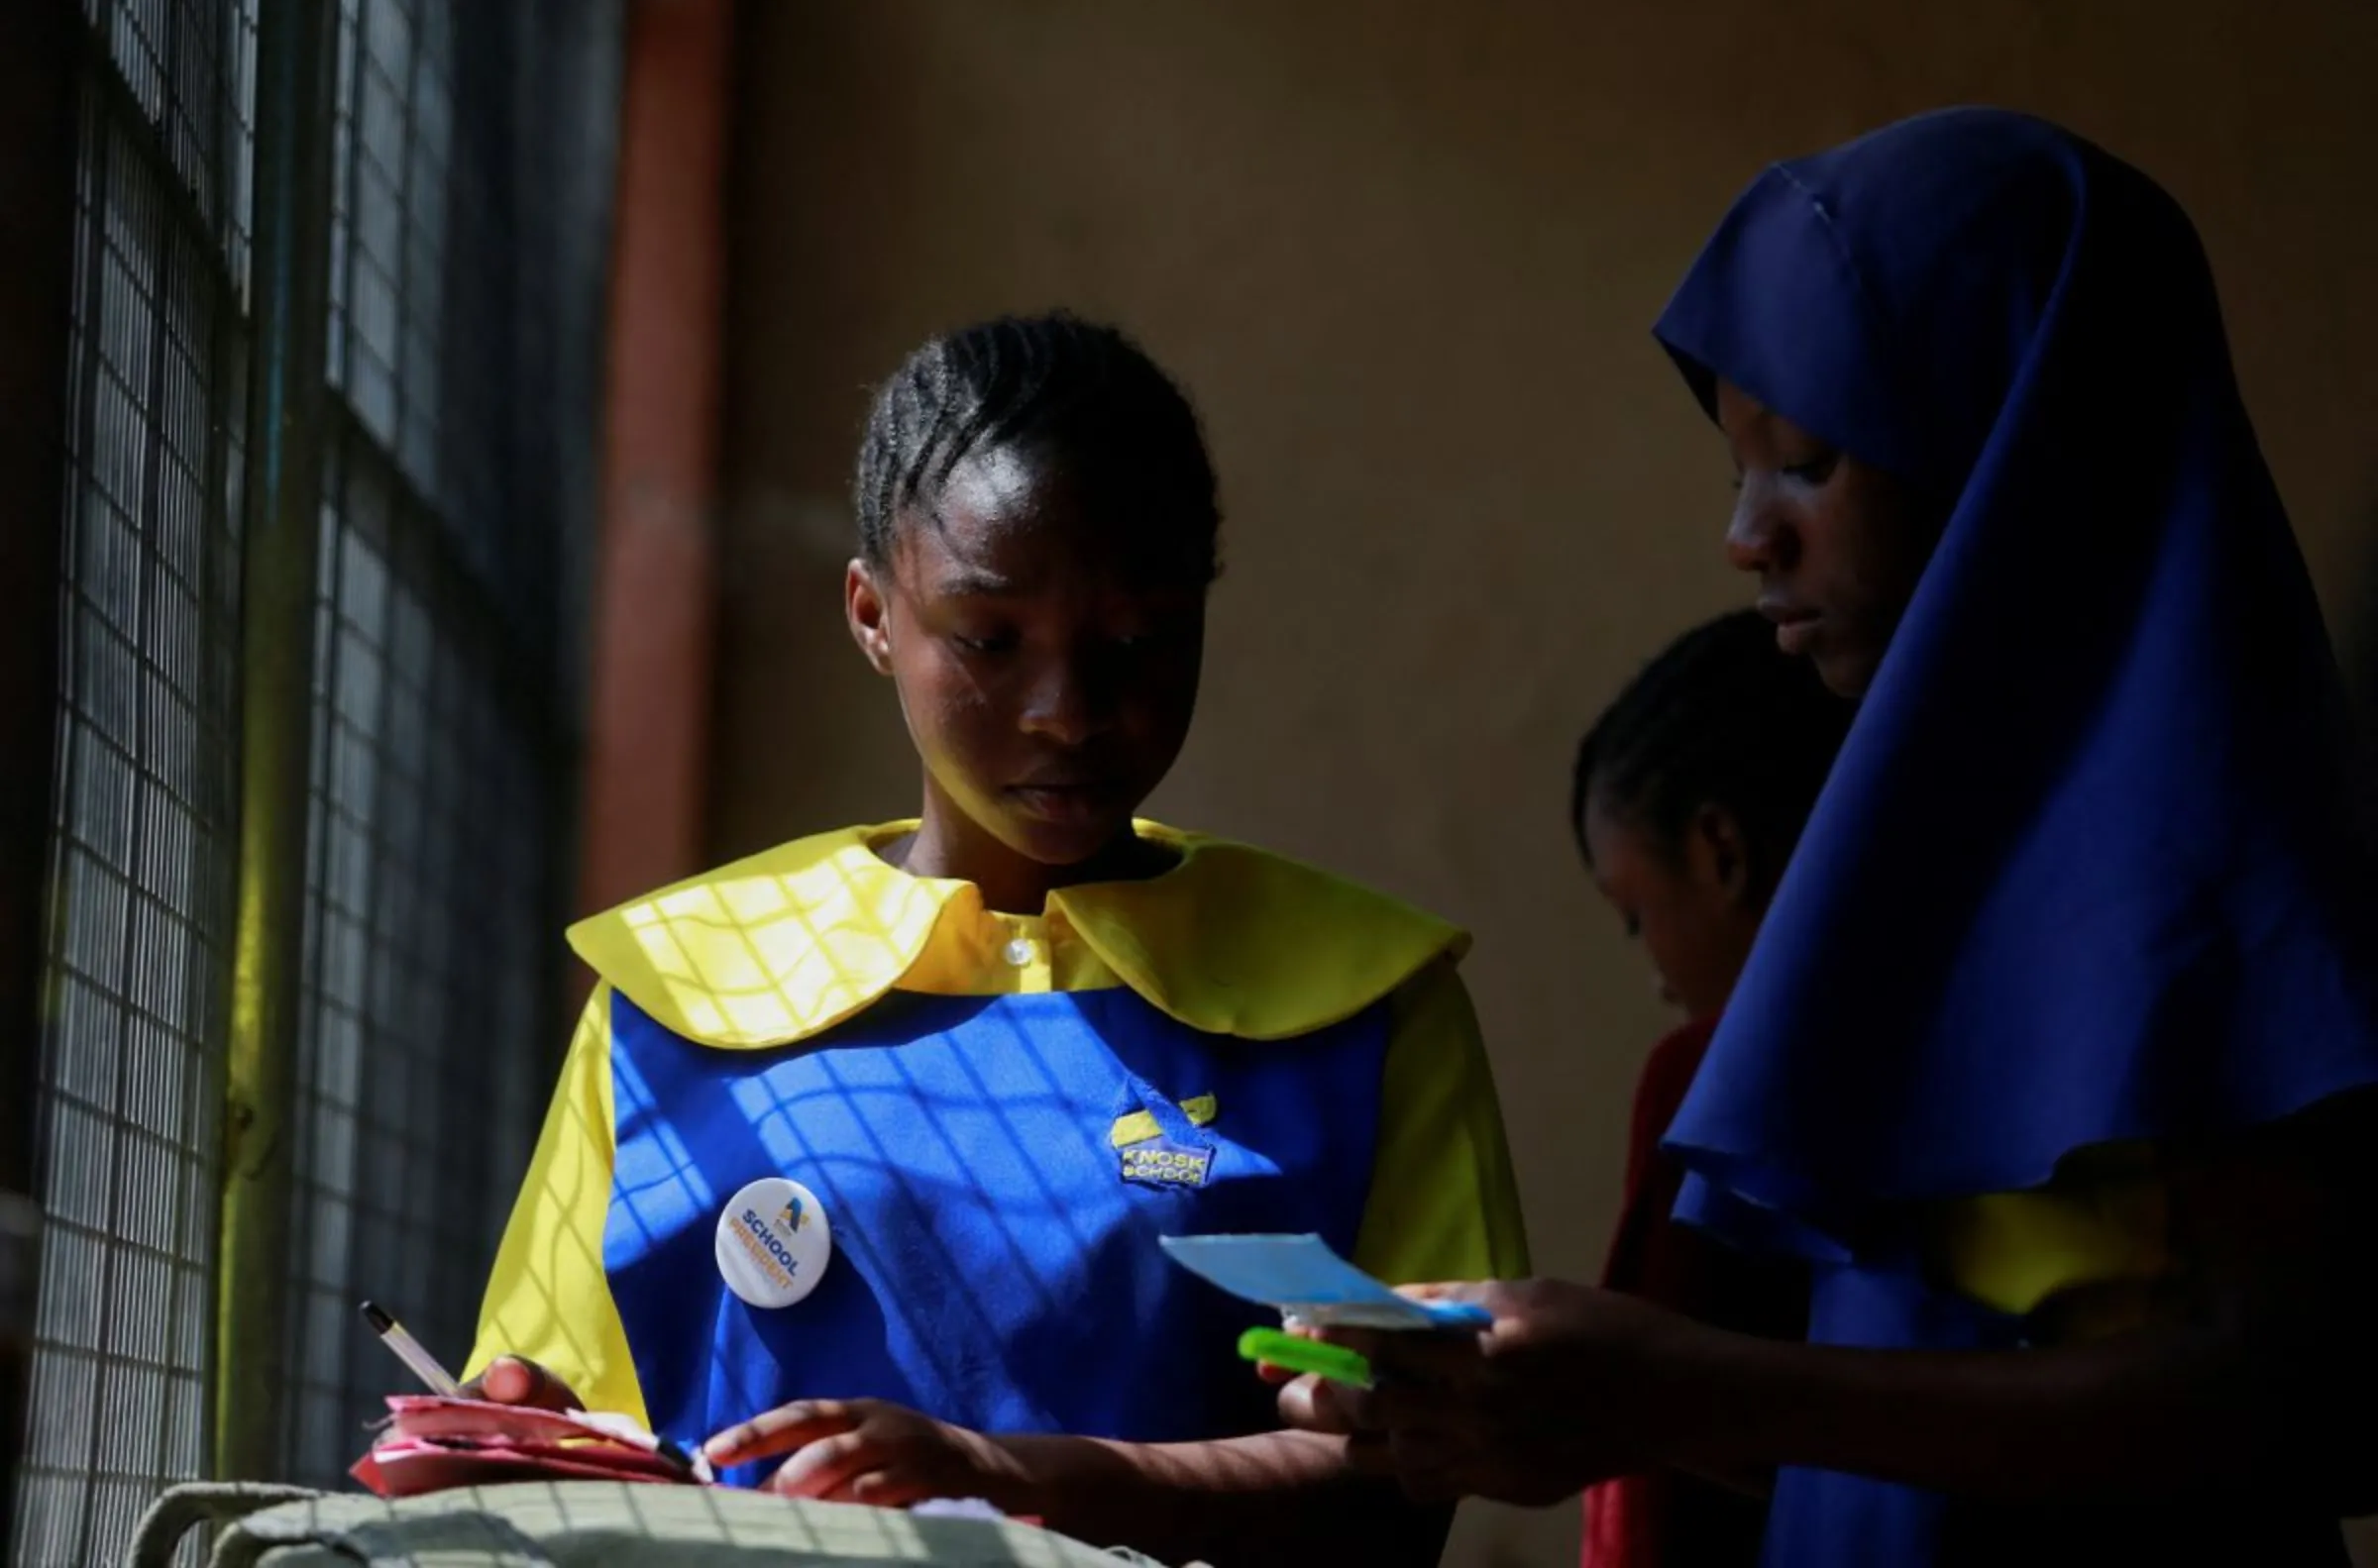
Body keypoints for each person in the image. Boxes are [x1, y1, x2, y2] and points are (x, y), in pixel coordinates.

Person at [1277, 108, 2378, 1565]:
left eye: (1805, 463)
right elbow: (1904, 1434)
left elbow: (2287, 1403)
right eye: (1739, 472)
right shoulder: (1912, 878)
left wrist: (1683, 1379)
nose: (1747, 536)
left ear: (2015, 463)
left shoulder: (2222, 879)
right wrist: (1575, 1404)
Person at [461, 312, 1530, 1566]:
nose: (1066, 711)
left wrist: (1017, 1484)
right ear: (873, 614)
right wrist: (512, 1444)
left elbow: (1422, 1464)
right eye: (988, 639)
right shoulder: (684, 992)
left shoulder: (1360, 1005)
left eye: (1134, 643)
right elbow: (555, 1416)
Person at [1569, 609, 1846, 1565]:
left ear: (1720, 851)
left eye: (1636, 916)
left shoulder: (1707, 1077)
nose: (1654, 973)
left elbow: (1634, 1443)